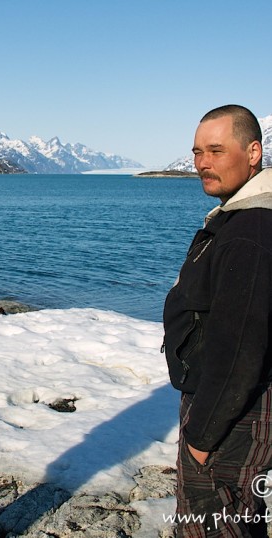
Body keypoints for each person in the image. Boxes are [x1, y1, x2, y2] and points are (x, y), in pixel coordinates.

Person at [163, 104, 272, 537]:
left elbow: (241, 344)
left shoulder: (250, 233)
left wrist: (201, 440)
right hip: (229, 408)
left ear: (253, 152)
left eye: (215, 150)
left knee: (211, 522)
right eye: (195, 152)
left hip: (233, 418)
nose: (202, 163)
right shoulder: (241, 219)